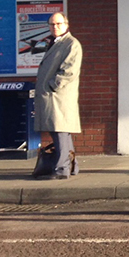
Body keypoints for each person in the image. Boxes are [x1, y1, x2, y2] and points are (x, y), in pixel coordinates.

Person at [33, 12, 83, 180]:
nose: (55, 27)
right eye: (52, 24)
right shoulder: (55, 43)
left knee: (60, 131)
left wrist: (52, 85)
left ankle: (62, 169)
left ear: (66, 25)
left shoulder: (71, 44)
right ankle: (72, 166)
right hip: (54, 96)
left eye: (59, 24)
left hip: (59, 96)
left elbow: (69, 70)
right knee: (61, 132)